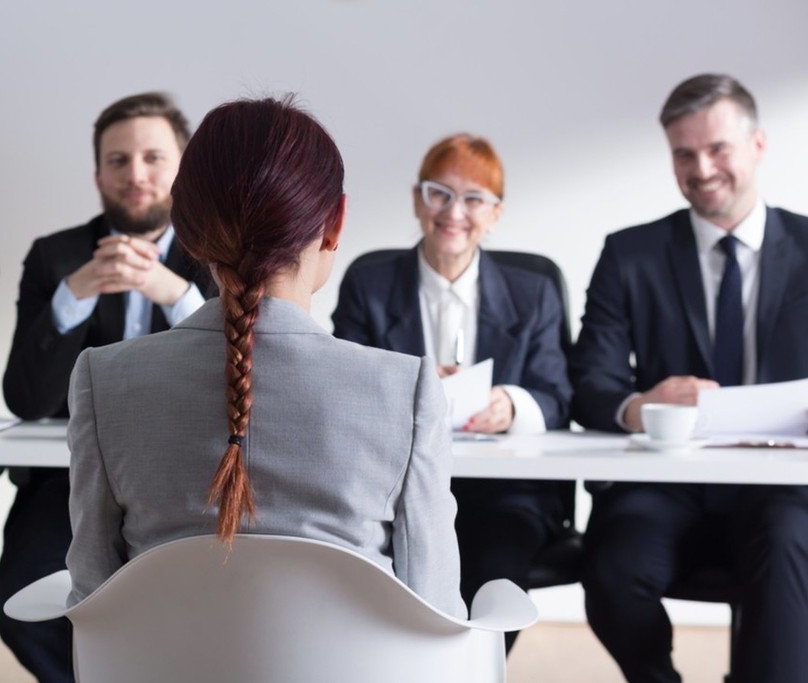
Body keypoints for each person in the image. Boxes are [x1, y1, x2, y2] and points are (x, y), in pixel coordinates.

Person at [64, 96, 466, 618]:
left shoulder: (103, 380)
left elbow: (93, 603)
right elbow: (435, 613)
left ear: (185, 227)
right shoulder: (403, 390)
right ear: (334, 223)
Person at [571, 73, 808, 682]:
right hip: (666, 483)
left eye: (718, 148)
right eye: (684, 153)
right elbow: (590, 380)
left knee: (788, 545)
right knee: (612, 566)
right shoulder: (630, 254)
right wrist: (642, 405)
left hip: (782, 486)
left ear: (757, 145)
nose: (701, 168)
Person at [0, 91, 214, 681]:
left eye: (152, 158)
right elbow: (25, 399)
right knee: (15, 607)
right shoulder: (54, 256)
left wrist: (176, 296)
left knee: (191, 613)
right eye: (118, 161)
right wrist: (72, 296)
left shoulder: (218, 253)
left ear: (183, 168)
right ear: (97, 174)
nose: (135, 175)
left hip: (189, 480)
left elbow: (241, 376)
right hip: (69, 481)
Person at [331, 133, 571, 648]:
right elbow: (343, 389)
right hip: (393, 489)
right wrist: (409, 390)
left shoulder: (534, 292)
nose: (453, 211)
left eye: (474, 199)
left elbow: (557, 395)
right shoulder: (369, 284)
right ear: (418, 199)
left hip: (505, 492)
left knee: (495, 575)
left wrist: (511, 404)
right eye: (439, 193)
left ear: (496, 213)